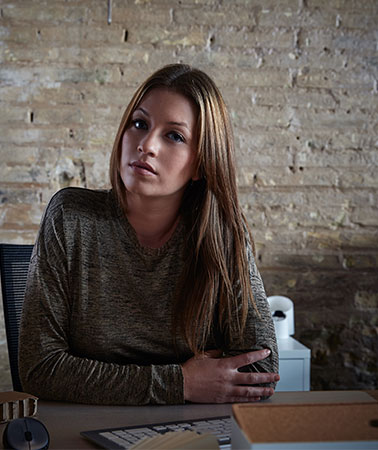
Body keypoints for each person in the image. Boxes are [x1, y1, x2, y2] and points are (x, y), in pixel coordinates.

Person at [18, 63, 279, 405]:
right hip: (84, 423)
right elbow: (39, 369)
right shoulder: (70, 217)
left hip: (192, 428)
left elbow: (260, 371)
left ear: (201, 163)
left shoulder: (223, 234)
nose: (146, 145)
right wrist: (181, 382)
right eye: (140, 124)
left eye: (174, 136)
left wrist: (99, 378)